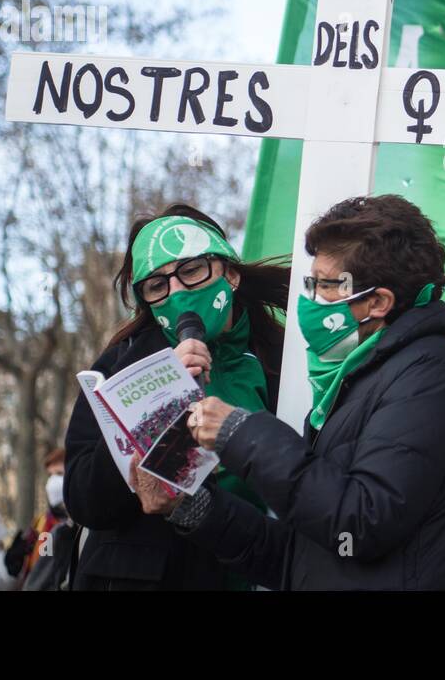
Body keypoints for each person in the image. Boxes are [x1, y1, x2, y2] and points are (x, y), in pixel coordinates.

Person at [131, 194, 445, 590]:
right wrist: (190, 508)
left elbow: (360, 522)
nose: (309, 299)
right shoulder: (360, 380)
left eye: (325, 285)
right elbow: (301, 558)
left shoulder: (432, 375)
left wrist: (239, 431)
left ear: (377, 302)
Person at [63, 203, 288, 590]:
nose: (178, 292)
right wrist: (163, 394)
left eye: (191, 270)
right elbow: (83, 498)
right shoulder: (121, 362)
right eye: (157, 285)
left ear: (230, 273)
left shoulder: (283, 360)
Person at [23, 448, 77, 591]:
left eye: (59, 474)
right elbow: (37, 571)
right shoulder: (40, 523)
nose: (53, 482)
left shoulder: (83, 524)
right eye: (50, 475)